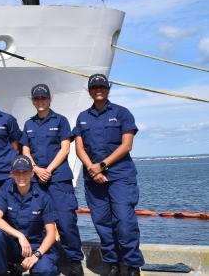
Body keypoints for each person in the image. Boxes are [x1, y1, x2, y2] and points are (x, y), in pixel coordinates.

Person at [73, 74, 143, 276]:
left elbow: (127, 145)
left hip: (120, 176)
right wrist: (92, 169)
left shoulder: (122, 113)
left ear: (108, 88)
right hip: (93, 178)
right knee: (102, 222)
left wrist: (102, 165)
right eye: (94, 87)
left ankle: (131, 264)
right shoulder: (82, 117)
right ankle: (112, 262)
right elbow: (79, 149)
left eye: (102, 86)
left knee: (125, 221)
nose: (98, 90)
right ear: (89, 91)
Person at [20, 84, 84, 276]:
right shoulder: (29, 124)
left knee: (66, 221)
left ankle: (74, 260)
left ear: (50, 100)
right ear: (33, 101)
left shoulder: (61, 120)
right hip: (37, 179)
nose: (40, 101)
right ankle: (46, 258)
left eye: (43, 98)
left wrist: (48, 169)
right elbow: (25, 151)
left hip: (58, 179)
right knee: (36, 222)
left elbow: (65, 149)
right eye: (37, 99)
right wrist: (36, 169)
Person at [0, 156, 59, 276]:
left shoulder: (43, 196)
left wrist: (36, 255)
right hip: (15, 245)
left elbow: (51, 233)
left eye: (25, 172)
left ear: (32, 174)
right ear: (11, 174)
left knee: (46, 271)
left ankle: (29, 266)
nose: (21, 177)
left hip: (36, 246)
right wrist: (20, 236)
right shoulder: (5, 190)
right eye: (17, 173)